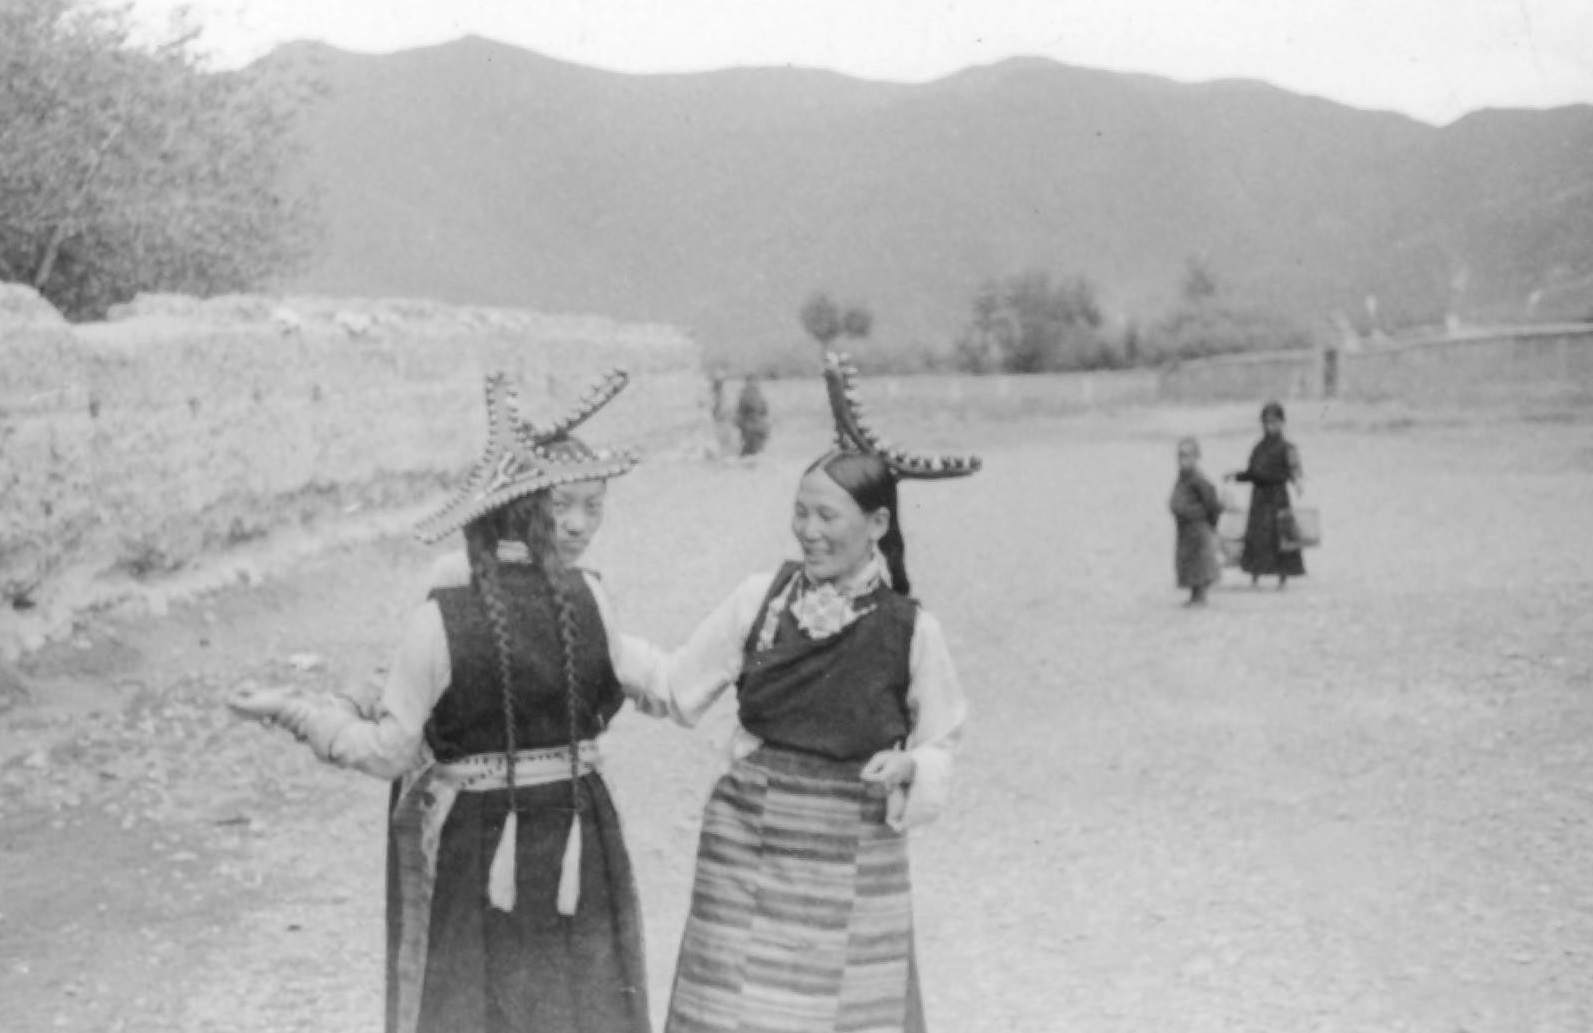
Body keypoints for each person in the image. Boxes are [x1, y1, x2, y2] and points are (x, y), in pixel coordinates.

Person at [228, 370, 655, 1033]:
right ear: (536, 514)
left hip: (478, 837)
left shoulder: (440, 618)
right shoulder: (592, 598)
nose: (577, 525)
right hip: (579, 829)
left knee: (473, 1004)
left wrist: (295, 710)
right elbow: (622, 680)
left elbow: (389, 750)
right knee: (578, 1001)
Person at [619, 347, 978, 1033]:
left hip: (852, 850)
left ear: (876, 525)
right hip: (748, 844)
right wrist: (595, 631)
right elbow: (674, 683)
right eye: (800, 512)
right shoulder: (761, 598)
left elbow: (941, 739)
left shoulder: (910, 628)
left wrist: (908, 765)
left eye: (827, 516)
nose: (808, 530)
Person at [1225, 400, 1305, 589]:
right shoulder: (1258, 448)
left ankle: (1283, 575)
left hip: (1277, 497)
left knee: (1280, 536)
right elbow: (1252, 472)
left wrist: (1297, 481)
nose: (1270, 426)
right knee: (1258, 536)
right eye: (1267, 422)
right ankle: (1256, 573)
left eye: (1274, 422)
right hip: (1260, 498)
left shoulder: (1287, 448)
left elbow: (1295, 470)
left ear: (1281, 423)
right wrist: (1236, 476)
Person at [1169, 436, 1222, 606]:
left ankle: (1200, 596)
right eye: (1180, 456)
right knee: (1187, 562)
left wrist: (1210, 522)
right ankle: (1194, 595)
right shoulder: (1182, 478)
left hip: (1197, 529)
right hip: (1184, 530)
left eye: (1187, 456)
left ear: (1196, 457)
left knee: (1199, 563)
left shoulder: (1199, 479)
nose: (1183, 460)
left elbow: (1211, 502)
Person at [734, 373, 770, 457]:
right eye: (751, 382)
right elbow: (741, 411)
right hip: (749, 425)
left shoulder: (759, 395)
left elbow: (765, 410)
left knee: (756, 448)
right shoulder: (744, 395)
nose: (753, 384)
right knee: (749, 448)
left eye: (754, 382)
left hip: (758, 425)